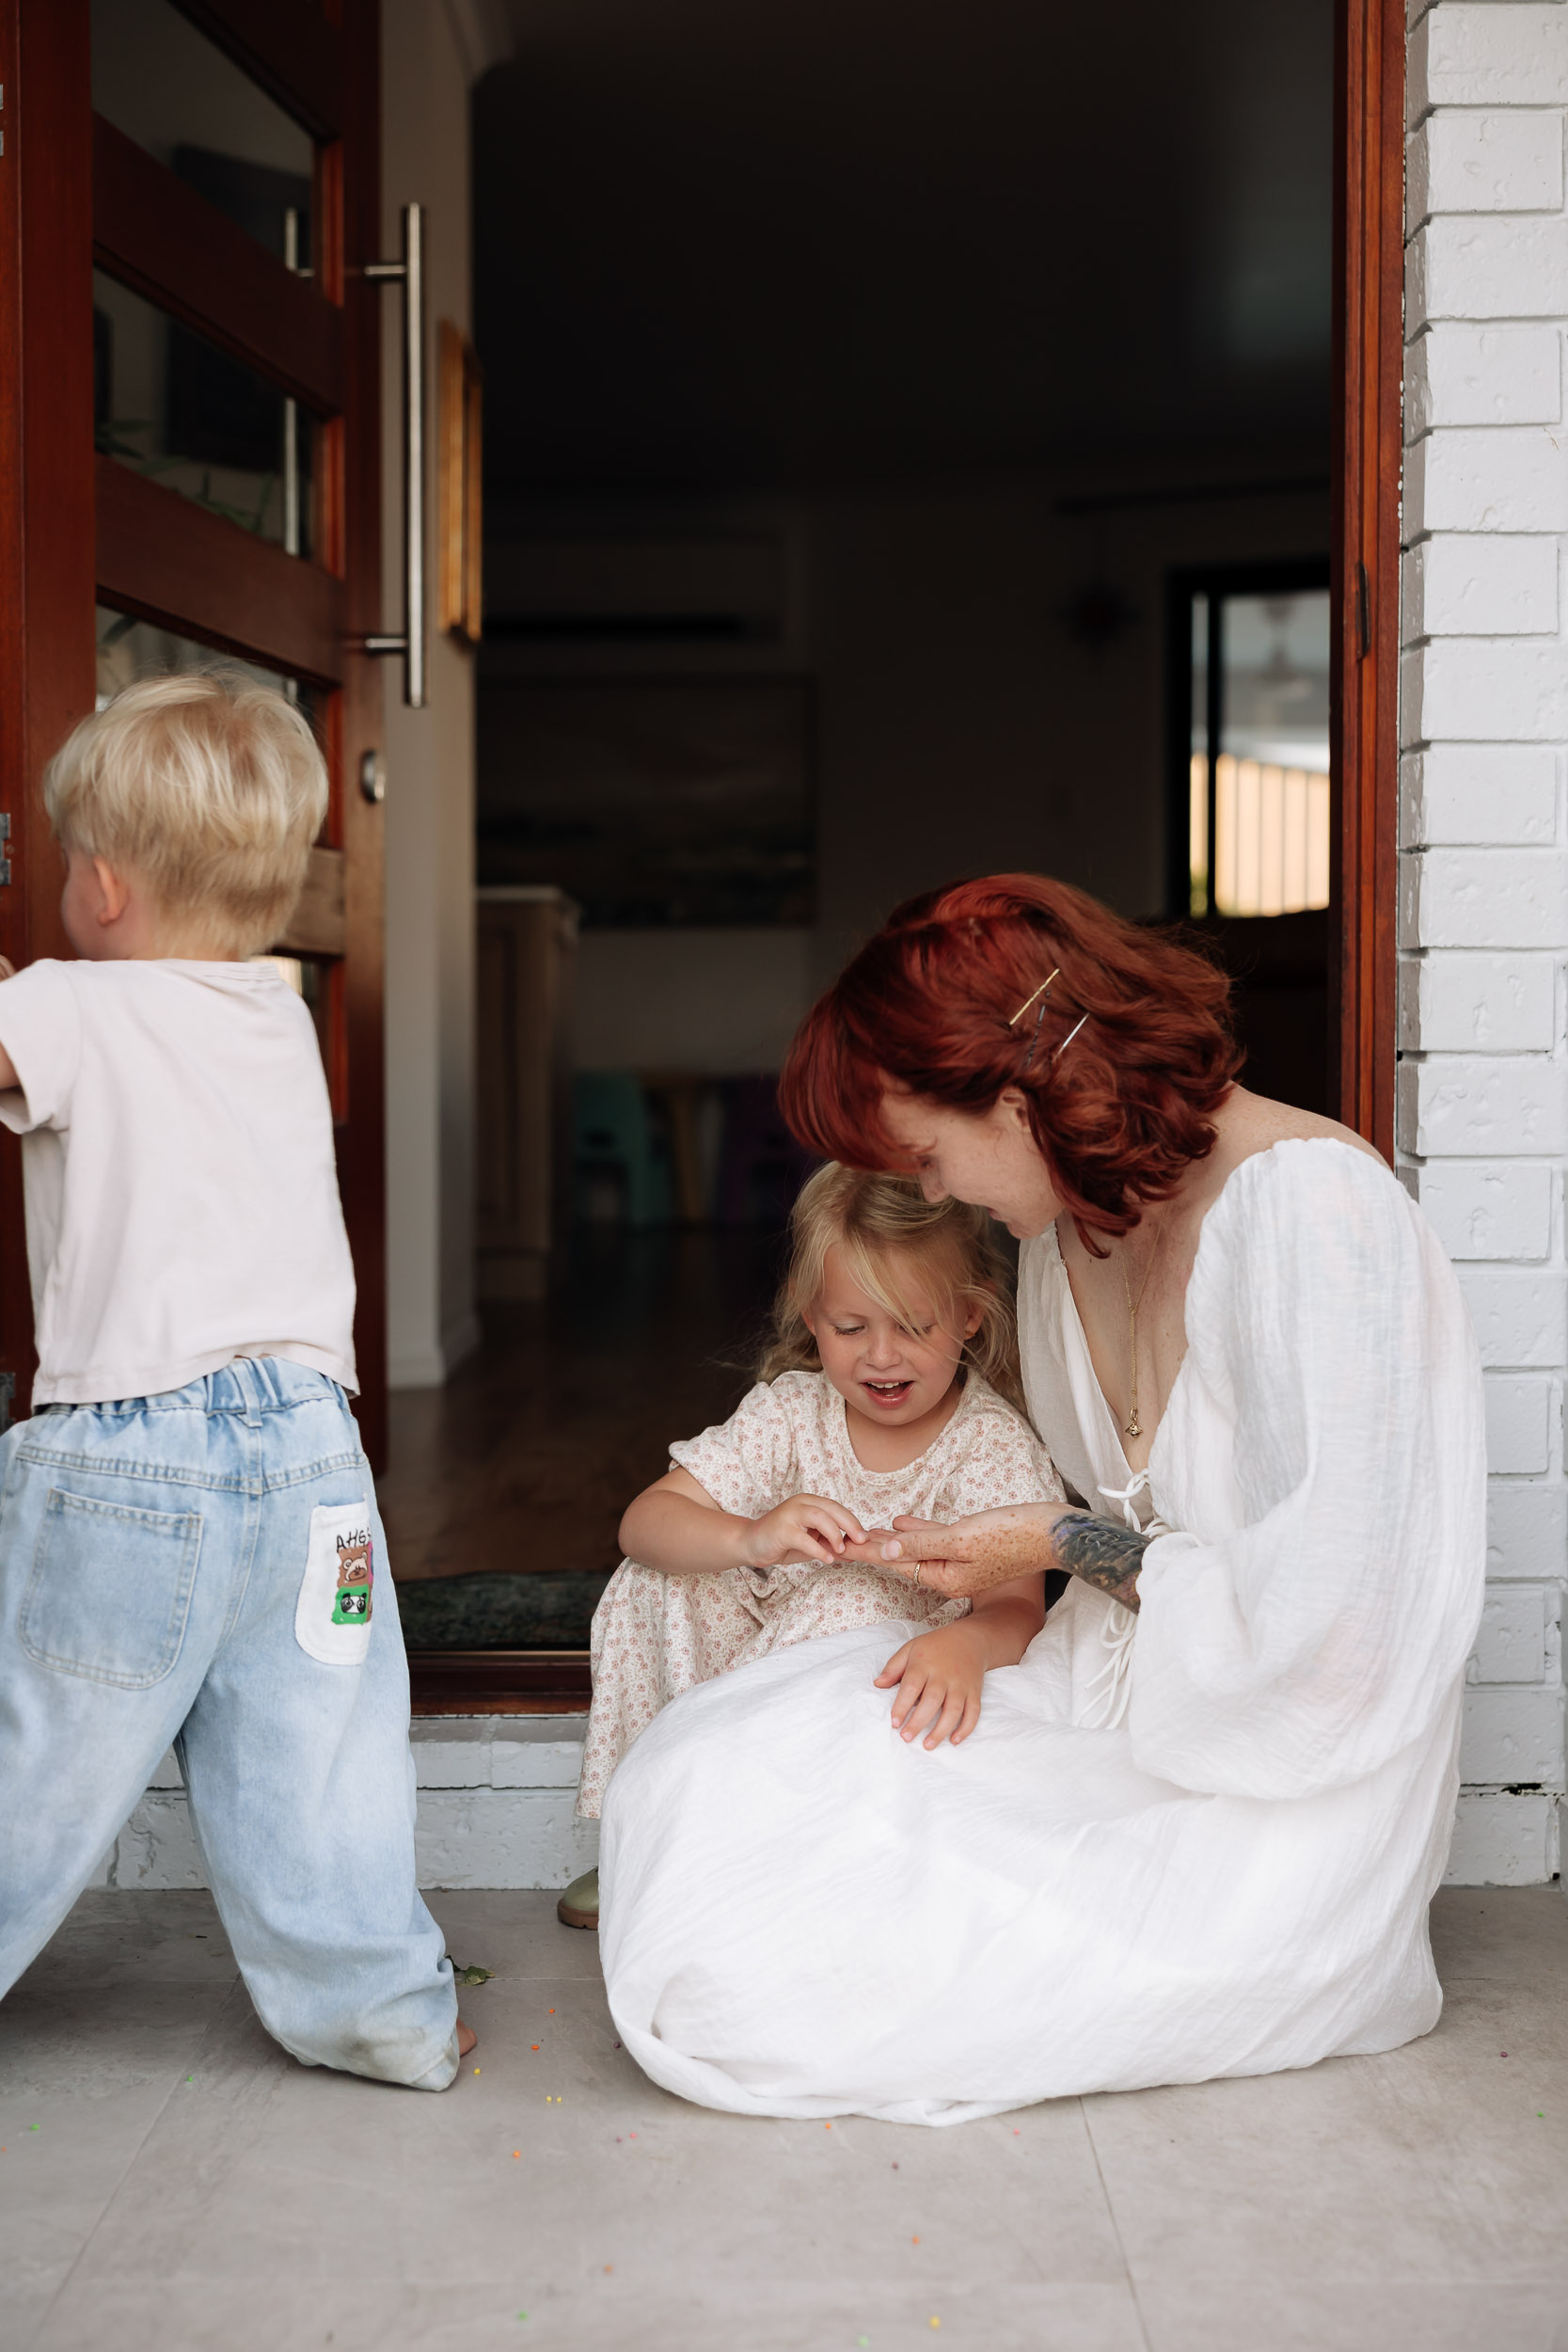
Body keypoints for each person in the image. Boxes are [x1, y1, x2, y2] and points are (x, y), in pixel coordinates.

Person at [598, 873, 1486, 2125]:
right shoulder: (1068, 1226)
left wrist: (1055, 1541)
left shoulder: (1317, 1217)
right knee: (700, 1786)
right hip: (1120, 1690)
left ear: (1015, 1103)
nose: (939, 1194)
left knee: (769, 1969)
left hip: (1274, 1786)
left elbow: (1340, 1649)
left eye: (927, 1156)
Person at [0, 673, 472, 2090]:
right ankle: (382, 2010)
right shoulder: (276, 1011)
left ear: (96, 882)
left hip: (126, 1465)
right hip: (313, 1467)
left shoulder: (71, 1004)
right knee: (318, 1748)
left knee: (38, 1746)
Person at [558, 1161, 1063, 1928]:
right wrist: (751, 1535)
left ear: (969, 1315)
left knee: (849, 1594)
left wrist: (967, 1642)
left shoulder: (988, 1444)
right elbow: (644, 1521)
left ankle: (755, 1840)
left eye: (913, 1326)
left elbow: (1017, 1605)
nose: (880, 1357)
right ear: (810, 1315)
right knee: (652, 1576)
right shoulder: (794, 1410)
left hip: (881, 1691)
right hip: (755, 1661)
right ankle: (652, 1828)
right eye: (851, 1327)